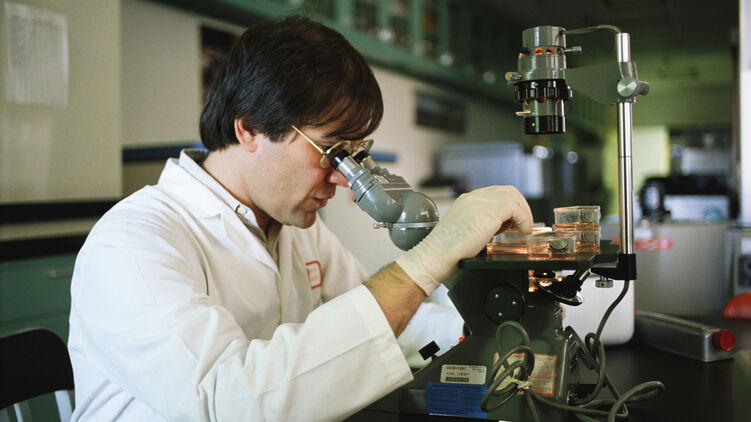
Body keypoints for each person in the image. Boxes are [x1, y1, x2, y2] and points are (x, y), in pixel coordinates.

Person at [67, 15, 533, 421]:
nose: (343, 179)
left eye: (354, 156)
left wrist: (503, 333)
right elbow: (227, 402)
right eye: (332, 152)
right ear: (249, 128)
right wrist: (429, 259)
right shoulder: (134, 242)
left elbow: (386, 326)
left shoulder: (295, 229)